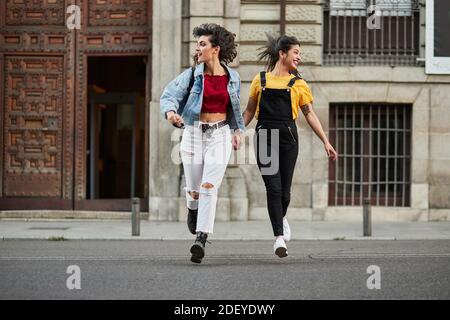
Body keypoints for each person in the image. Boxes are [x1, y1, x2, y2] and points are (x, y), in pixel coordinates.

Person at [242, 35, 337, 258]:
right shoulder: (260, 80)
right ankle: (279, 238)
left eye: (299, 54)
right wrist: (234, 132)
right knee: (273, 188)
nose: (299, 58)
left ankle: (281, 218)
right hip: (264, 137)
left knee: (285, 192)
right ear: (282, 54)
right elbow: (248, 111)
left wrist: (326, 141)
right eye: (296, 53)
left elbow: (309, 114)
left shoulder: (299, 85)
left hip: (288, 140)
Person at [160, 23, 245, 263]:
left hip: (220, 134)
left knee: (209, 187)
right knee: (195, 189)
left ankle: (201, 238)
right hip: (194, 133)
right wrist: (170, 114)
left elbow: (235, 109)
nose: (197, 48)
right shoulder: (191, 75)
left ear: (215, 49)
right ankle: (192, 208)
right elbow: (169, 96)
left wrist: (237, 131)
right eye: (197, 44)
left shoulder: (232, 78)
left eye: (202, 44)